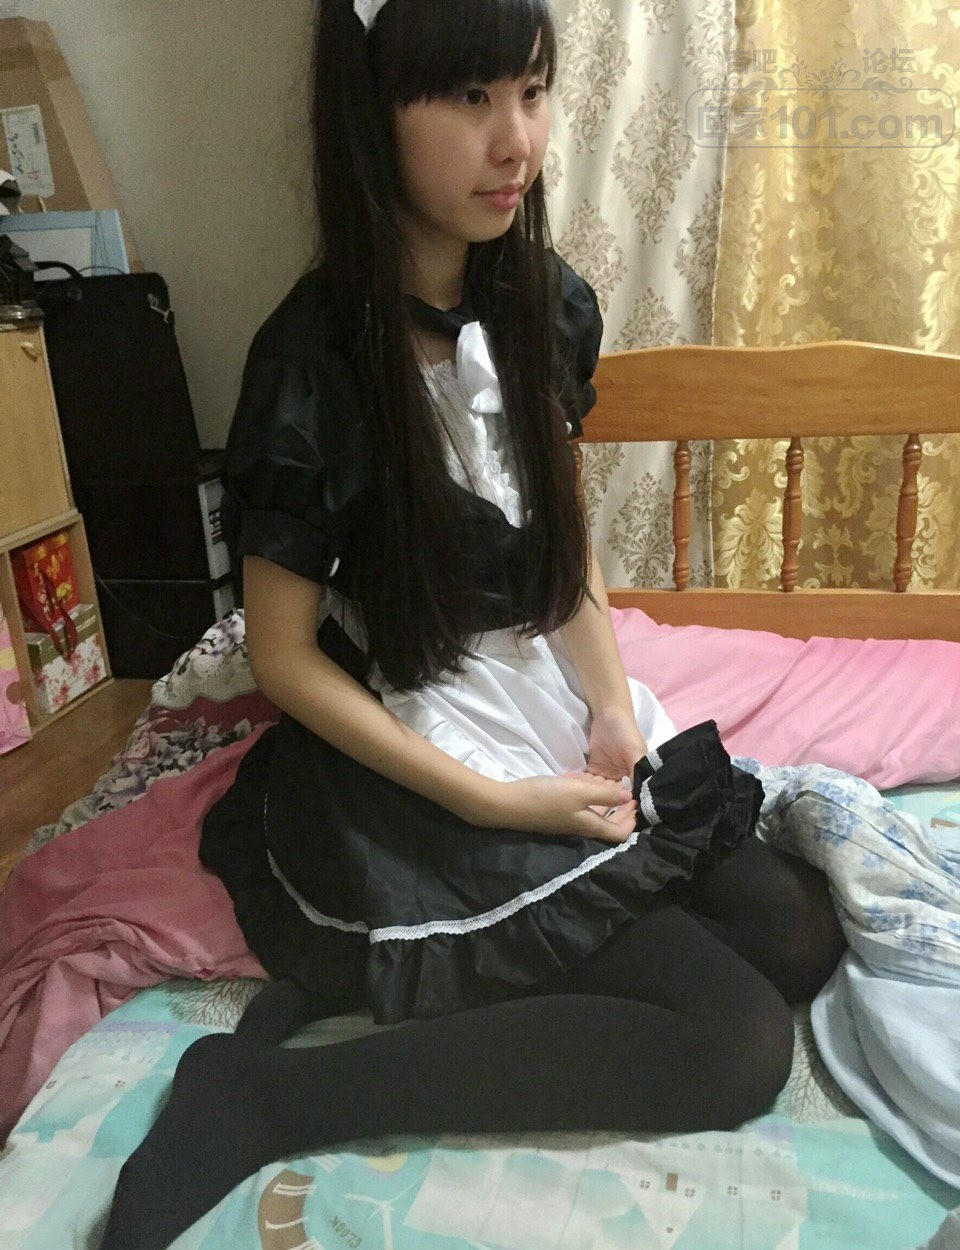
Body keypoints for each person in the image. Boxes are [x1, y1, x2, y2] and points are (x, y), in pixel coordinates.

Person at [99, 1, 845, 1246]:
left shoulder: (539, 301)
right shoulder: (313, 361)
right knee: (738, 1043)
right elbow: (282, 655)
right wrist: (494, 802)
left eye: (532, 92)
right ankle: (265, 1094)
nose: (517, 142)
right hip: (412, 742)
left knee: (799, 929)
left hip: (536, 697)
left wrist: (610, 705)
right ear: (374, 112)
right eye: (468, 99)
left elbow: (561, 549)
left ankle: (473, 980)